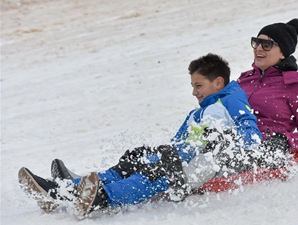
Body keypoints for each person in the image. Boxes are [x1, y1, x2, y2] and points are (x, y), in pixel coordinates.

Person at [18, 53, 262, 217]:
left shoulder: (231, 101)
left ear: (218, 83)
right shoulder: (196, 114)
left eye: (198, 86)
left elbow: (251, 135)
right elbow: (177, 144)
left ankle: (96, 197)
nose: (194, 92)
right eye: (192, 86)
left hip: (193, 169)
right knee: (134, 161)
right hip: (179, 159)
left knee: (150, 175)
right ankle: (65, 188)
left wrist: (223, 142)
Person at [237, 18, 298, 159]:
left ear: (283, 53)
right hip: (235, 143)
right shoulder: (243, 80)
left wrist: (285, 141)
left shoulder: (295, 84)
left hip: (267, 152)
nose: (258, 48)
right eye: (256, 42)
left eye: (267, 45)